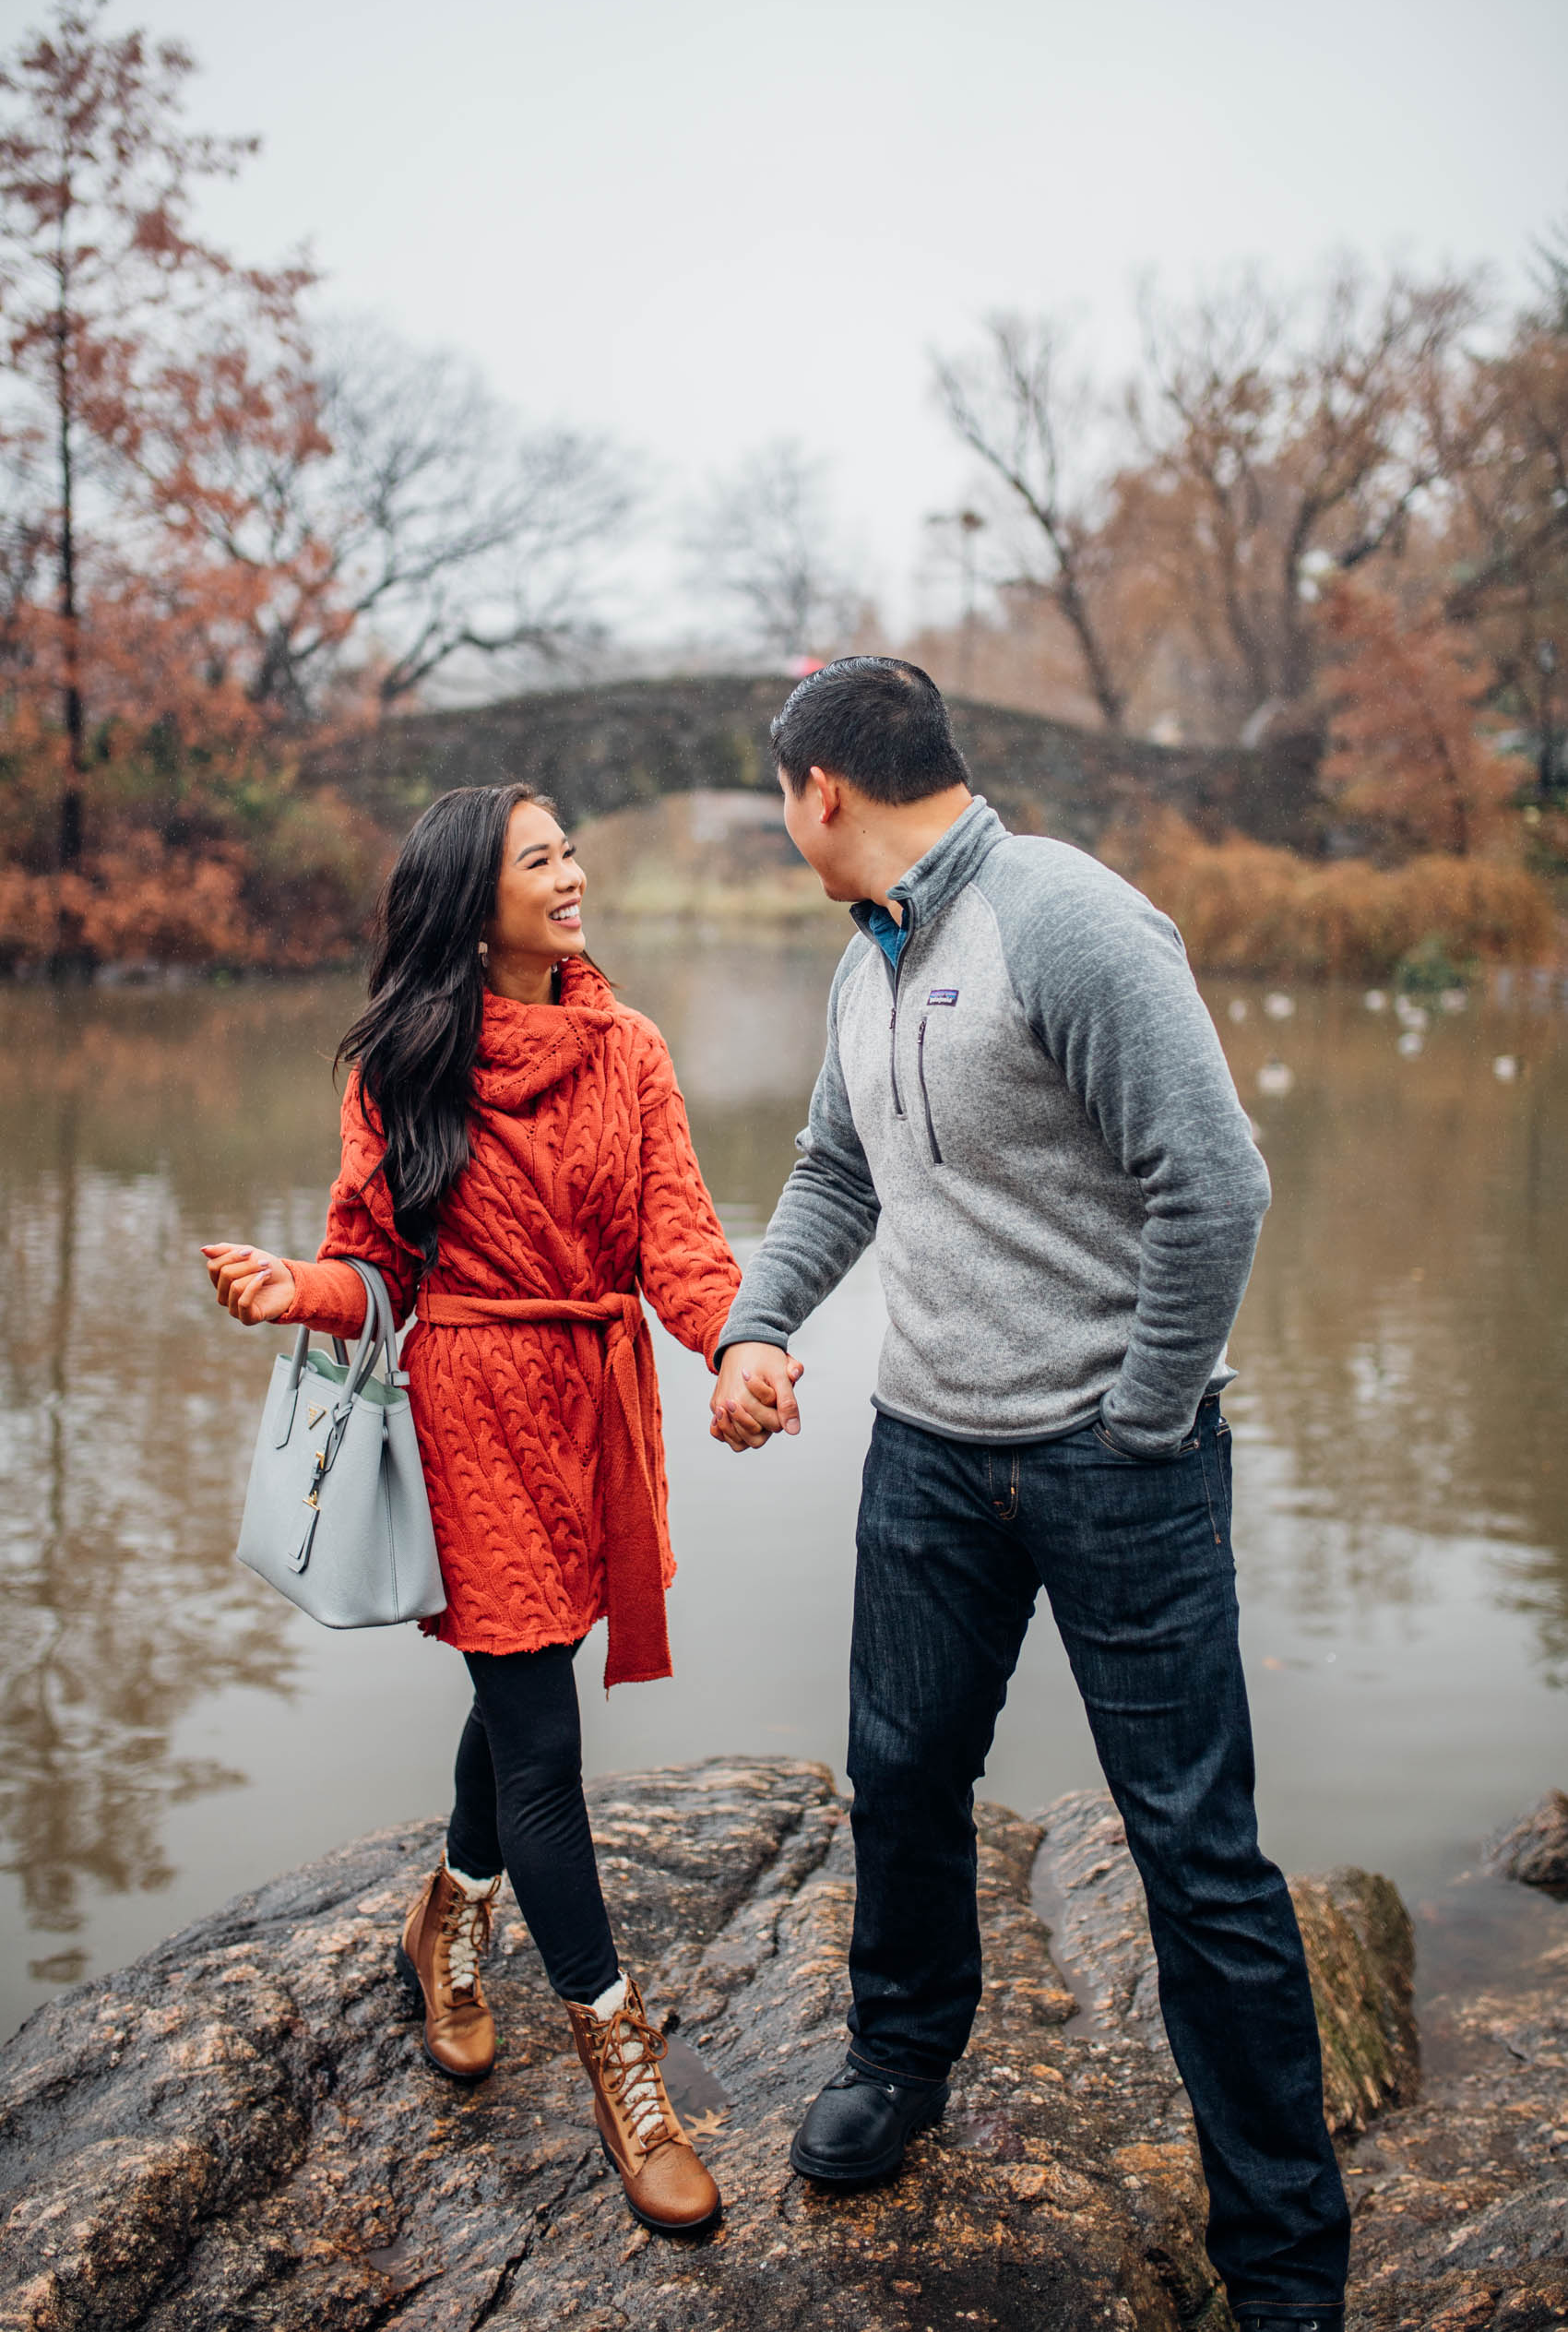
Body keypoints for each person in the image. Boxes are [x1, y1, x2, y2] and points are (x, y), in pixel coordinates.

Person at [709, 659, 1349, 2332]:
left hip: (1115, 1463)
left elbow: (1216, 1187)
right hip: (927, 1450)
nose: (786, 824)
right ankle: (900, 2051)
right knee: (901, 1772)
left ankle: (1284, 2263)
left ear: (820, 791)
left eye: (783, 800)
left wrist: (1139, 1420)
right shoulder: (867, 962)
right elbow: (838, 1167)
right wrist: (761, 1319)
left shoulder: (1066, 920)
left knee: (1198, 1860)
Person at [203, 779, 742, 2240]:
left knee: (525, 1692)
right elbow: (368, 1263)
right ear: (472, 895)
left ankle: (447, 1908)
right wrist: (288, 1292)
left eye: (572, 850)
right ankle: (626, 2070)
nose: (573, 873)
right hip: (472, 1413)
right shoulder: (399, 1063)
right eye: (541, 858)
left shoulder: (629, 1048)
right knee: (547, 1750)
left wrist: (737, 1346)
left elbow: (679, 1239)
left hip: (593, 1407)